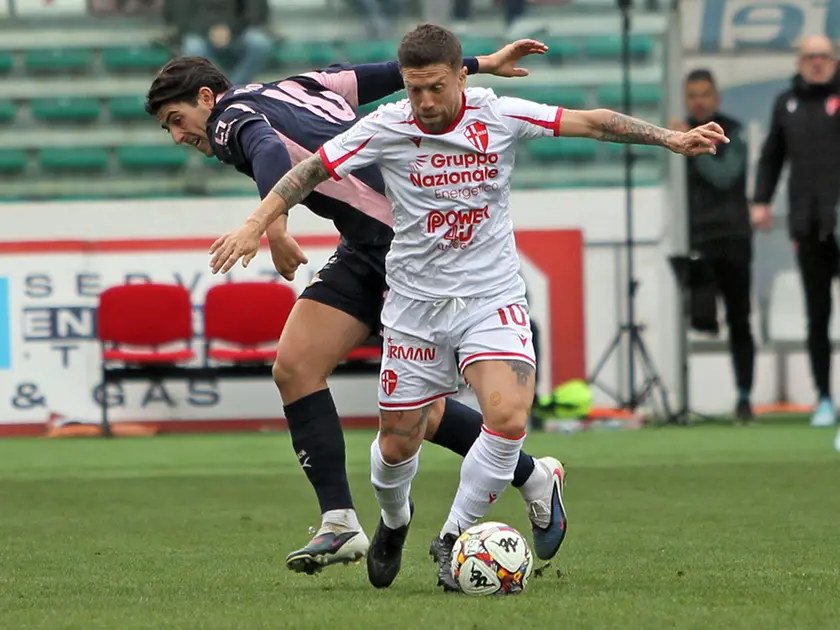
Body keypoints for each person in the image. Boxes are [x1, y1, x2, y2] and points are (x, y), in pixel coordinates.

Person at [207, 24, 726, 590]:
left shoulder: (497, 116)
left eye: (435, 87)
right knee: (398, 439)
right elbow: (307, 170)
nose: (425, 102)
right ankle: (393, 521)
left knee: (507, 416)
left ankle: (454, 537)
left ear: (460, 76)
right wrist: (260, 225)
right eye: (413, 90)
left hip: (490, 296)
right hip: (414, 305)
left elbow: (593, 121)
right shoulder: (385, 126)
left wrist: (671, 140)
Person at [145, 40, 569, 576]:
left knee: (423, 414)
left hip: (411, 250)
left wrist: (272, 228)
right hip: (364, 247)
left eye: (176, 120)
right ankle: (341, 521)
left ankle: (532, 477)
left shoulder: (229, 119)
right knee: (296, 367)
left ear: (206, 97)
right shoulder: (298, 82)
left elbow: (266, 149)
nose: (180, 135)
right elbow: (390, 74)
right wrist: (481, 63)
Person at [752, 35, 840, 439]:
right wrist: (762, 200)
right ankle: (824, 396)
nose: (817, 63)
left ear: (834, 60)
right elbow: (772, 156)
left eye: (823, 56)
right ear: (799, 62)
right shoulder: (786, 104)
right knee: (817, 314)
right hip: (808, 224)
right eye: (810, 57)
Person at [670, 69, 755, 422]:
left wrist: (688, 143)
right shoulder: (675, 134)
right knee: (695, 318)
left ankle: (744, 398)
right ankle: (684, 400)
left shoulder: (732, 131)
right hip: (696, 239)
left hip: (732, 238)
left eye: (704, 94)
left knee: (739, 320)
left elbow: (725, 176)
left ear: (716, 98)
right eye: (692, 95)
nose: (699, 101)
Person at [163, 0, 274, 85]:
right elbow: (178, 14)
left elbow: (256, 9)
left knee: (260, 43)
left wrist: (230, 28)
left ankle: (234, 87)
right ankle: (221, 85)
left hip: (238, 30)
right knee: (193, 47)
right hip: (199, 32)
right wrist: (208, 29)